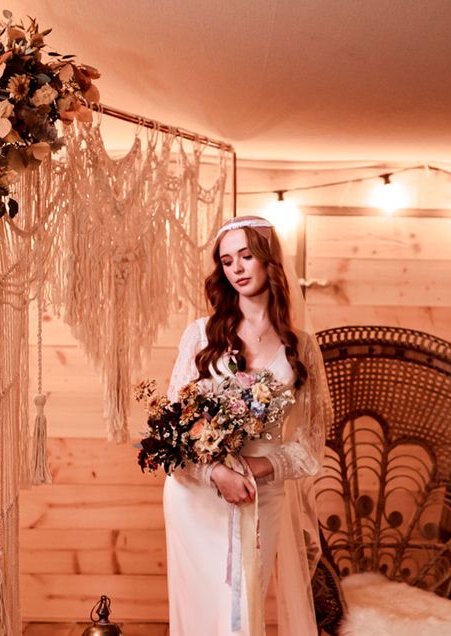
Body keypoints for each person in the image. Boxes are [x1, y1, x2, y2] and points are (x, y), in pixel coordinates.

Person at [162, 215, 332, 636]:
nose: (236, 268)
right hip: (195, 493)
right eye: (226, 260)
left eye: (246, 255)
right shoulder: (200, 335)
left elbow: (310, 445)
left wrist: (257, 470)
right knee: (202, 606)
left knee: (242, 607)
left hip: (261, 492)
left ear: (268, 259)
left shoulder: (302, 346)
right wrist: (216, 470)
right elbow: (171, 423)